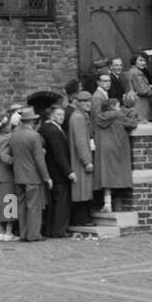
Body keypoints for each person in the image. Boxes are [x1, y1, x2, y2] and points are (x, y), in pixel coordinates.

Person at [6, 107, 50, 241]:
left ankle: (23, 233)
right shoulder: (34, 136)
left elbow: (10, 154)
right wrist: (46, 177)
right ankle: (33, 234)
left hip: (18, 175)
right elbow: (39, 159)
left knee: (22, 206)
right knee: (33, 207)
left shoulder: (14, 135)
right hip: (32, 176)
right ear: (32, 121)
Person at [93, 93, 139, 212]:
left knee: (106, 176)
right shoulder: (117, 115)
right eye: (118, 106)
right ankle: (116, 206)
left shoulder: (99, 117)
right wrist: (133, 114)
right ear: (113, 106)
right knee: (117, 176)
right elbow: (132, 124)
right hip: (116, 147)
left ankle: (107, 204)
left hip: (103, 149)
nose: (119, 108)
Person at [40, 102, 74, 237]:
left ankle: (51, 229)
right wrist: (69, 171)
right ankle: (59, 230)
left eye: (63, 115)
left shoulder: (46, 128)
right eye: (59, 115)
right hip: (57, 173)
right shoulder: (53, 130)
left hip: (52, 172)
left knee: (54, 202)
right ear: (52, 116)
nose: (62, 117)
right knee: (61, 202)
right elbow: (58, 154)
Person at [67, 90, 97, 228]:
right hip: (80, 161)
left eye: (89, 101)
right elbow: (80, 142)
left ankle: (83, 218)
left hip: (80, 159)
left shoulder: (80, 116)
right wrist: (87, 161)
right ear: (78, 103)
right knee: (82, 189)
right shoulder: (78, 117)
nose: (88, 104)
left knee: (83, 189)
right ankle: (82, 219)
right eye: (84, 102)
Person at [0, 114, 18, 242]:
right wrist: (16, 160)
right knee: (9, 202)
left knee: (0, 204)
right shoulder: (5, 139)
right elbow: (4, 157)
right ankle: (8, 231)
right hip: (6, 174)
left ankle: (1, 231)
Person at [125, 53, 152, 122]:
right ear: (134, 61)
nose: (143, 63)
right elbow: (142, 91)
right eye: (141, 60)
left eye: (145, 61)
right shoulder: (137, 73)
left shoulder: (131, 71)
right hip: (141, 105)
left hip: (134, 104)